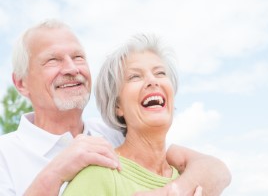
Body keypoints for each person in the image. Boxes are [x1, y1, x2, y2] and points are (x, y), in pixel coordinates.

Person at [0, 19, 231, 196]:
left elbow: (214, 168)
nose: (71, 68)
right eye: (53, 60)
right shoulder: (5, 155)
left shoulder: (116, 133)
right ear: (21, 83)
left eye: (78, 57)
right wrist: (54, 173)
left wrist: (175, 191)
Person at [62, 33, 212, 195]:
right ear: (117, 105)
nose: (152, 81)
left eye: (160, 73)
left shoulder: (188, 180)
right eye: (135, 76)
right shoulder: (99, 175)